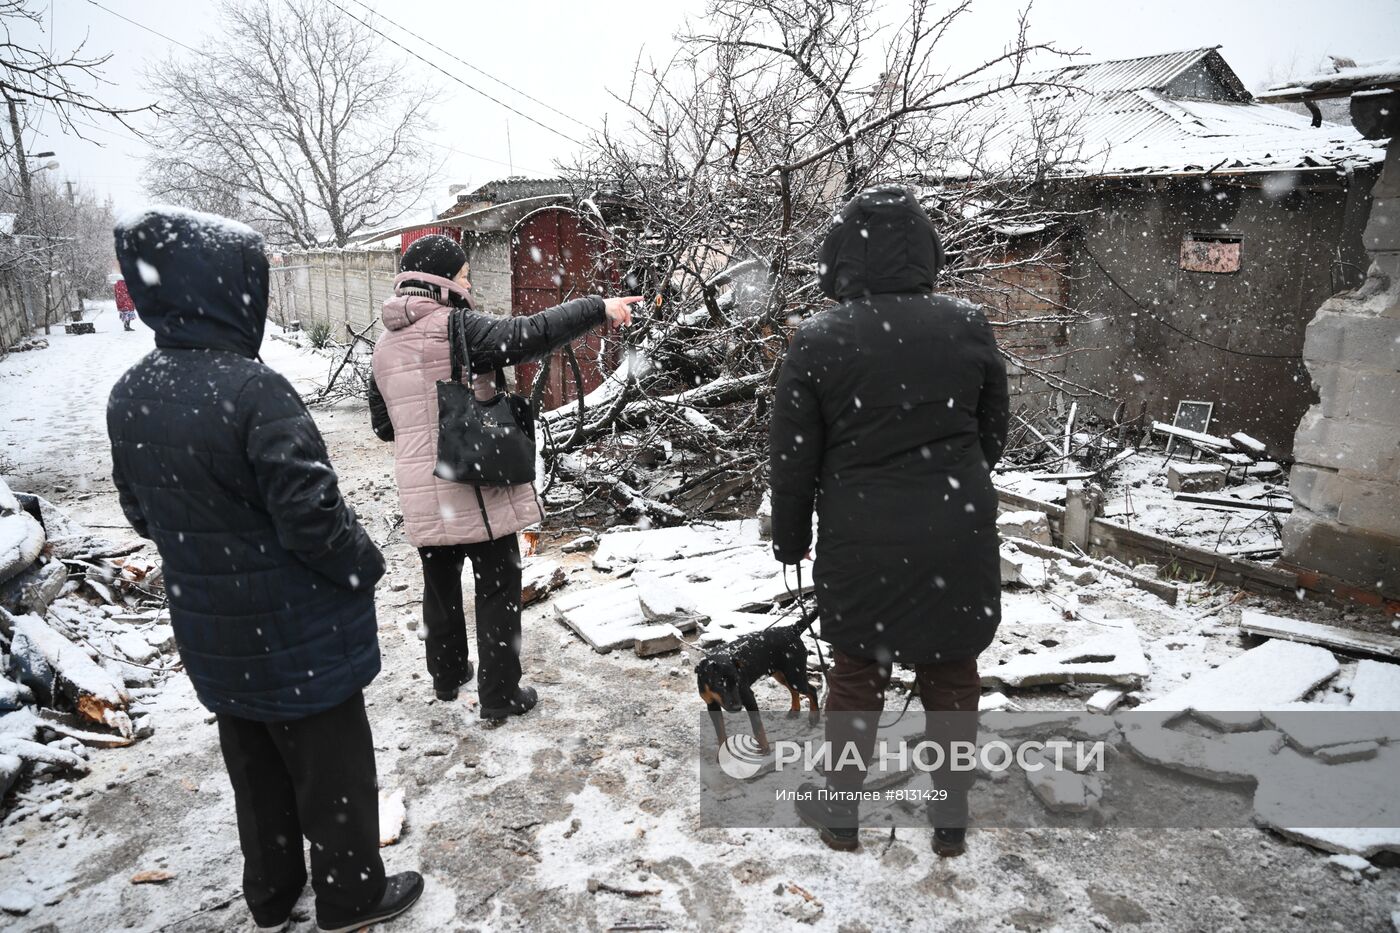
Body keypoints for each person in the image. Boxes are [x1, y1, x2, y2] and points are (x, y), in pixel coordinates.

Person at [107, 206, 422, 933]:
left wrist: (209, 553)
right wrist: (363, 564)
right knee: (334, 772)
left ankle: (273, 893)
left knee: (255, 767)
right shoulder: (255, 390)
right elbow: (314, 518)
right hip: (299, 632)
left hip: (215, 635)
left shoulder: (132, 393)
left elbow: (141, 513)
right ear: (223, 289)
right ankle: (349, 897)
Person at [767, 186, 1010, 856]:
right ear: (925, 249)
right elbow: (995, 433)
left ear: (841, 256)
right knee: (953, 669)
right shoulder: (968, 323)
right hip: (955, 529)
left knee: (856, 671)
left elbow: (793, 460)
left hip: (861, 535)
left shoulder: (817, 340)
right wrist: (946, 482)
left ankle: (841, 812)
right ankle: (950, 817)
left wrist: (792, 539)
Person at [368, 234, 637, 721]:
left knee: (440, 582)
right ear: (443, 280)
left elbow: (384, 425)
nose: (469, 282)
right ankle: (500, 696)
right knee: (497, 585)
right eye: (465, 274)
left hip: (422, 487)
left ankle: (448, 677)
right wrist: (598, 307)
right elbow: (530, 333)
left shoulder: (383, 344)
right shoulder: (456, 326)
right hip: (474, 483)